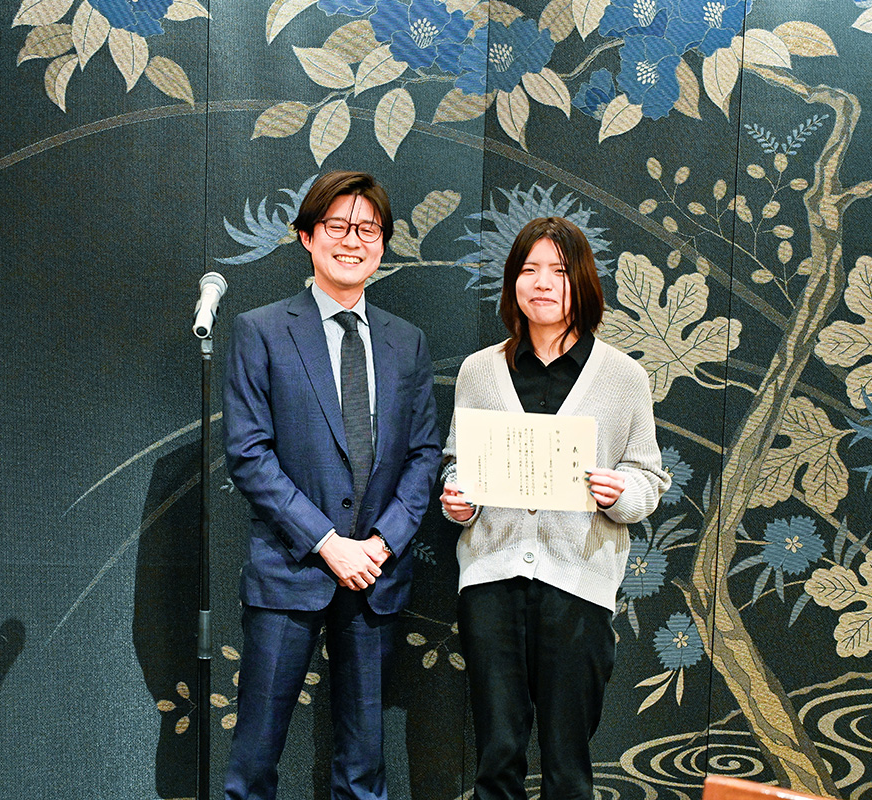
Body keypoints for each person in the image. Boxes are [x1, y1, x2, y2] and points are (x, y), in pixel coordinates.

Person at [222, 170, 441, 800]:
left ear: (384, 243)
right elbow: (249, 455)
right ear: (306, 236)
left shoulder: (406, 341)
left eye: (368, 229)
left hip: (376, 575)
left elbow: (424, 454)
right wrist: (327, 542)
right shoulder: (261, 330)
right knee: (254, 764)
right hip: (290, 571)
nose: (353, 240)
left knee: (364, 768)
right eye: (338, 226)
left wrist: (382, 543)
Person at [440, 217, 671, 800]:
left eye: (559, 271)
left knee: (568, 765)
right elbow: (456, 463)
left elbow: (649, 477)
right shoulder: (479, 370)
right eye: (528, 269)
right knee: (496, 756)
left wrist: (622, 493)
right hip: (491, 581)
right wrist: (459, 501)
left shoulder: (623, 377)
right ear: (512, 282)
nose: (542, 282)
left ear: (583, 283)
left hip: (578, 582)